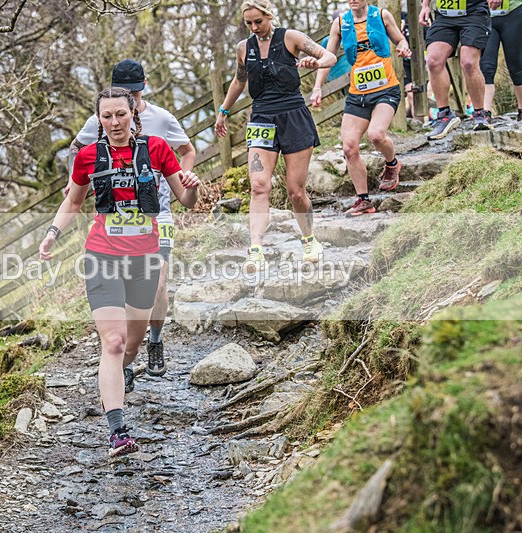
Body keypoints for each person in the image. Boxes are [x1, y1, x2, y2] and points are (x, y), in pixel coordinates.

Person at [40, 87, 199, 457]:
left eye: (120, 115)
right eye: (106, 116)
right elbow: (73, 201)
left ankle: (119, 372)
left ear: (133, 114)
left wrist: (193, 186)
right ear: (99, 120)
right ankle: (118, 432)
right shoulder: (87, 157)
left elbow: (185, 201)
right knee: (112, 342)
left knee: (131, 344)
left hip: (144, 258)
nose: (114, 123)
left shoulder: (157, 148)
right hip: (102, 256)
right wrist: (52, 233)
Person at [67, 59, 197, 388]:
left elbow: (188, 149)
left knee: (159, 283)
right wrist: (76, 181)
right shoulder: (103, 117)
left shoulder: (161, 118)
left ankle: (154, 339)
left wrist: (181, 176)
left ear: (144, 88)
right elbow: (78, 150)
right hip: (117, 223)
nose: (132, 102)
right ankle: (125, 353)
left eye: (137, 94)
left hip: (160, 212)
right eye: (128, 94)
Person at [214, 0, 337, 271]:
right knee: (259, 185)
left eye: (258, 21)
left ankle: (309, 240)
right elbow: (239, 79)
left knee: (295, 191)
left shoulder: (290, 37)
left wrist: (314, 63)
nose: (254, 27)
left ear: (269, 16)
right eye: (249, 23)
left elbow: (329, 57)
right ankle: (255, 249)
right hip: (261, 118)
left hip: (293, 116)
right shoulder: (243, 48)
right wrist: (223, 110)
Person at [311, 0, 412, 217]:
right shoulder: (340, 24)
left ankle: (392, 164)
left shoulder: (382, 16)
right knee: (349, 147)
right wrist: (318, 87)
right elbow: (327, 58)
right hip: (358, 94)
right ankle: (363, 200)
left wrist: (403, 46)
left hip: (386, 89)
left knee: (376, 135)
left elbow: (400, 39)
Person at [420, 0, 499, 138]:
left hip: (473, 12)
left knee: (468, 62)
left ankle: (480, 114)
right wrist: (425, 5)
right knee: (433, 60)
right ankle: (444, 116)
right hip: (445, 14)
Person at [479, 0, 522, 121]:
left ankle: (521, 109)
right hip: (485, 15)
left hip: (513, 12)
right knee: (486, 66)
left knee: (516, 66)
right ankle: (485, 112)